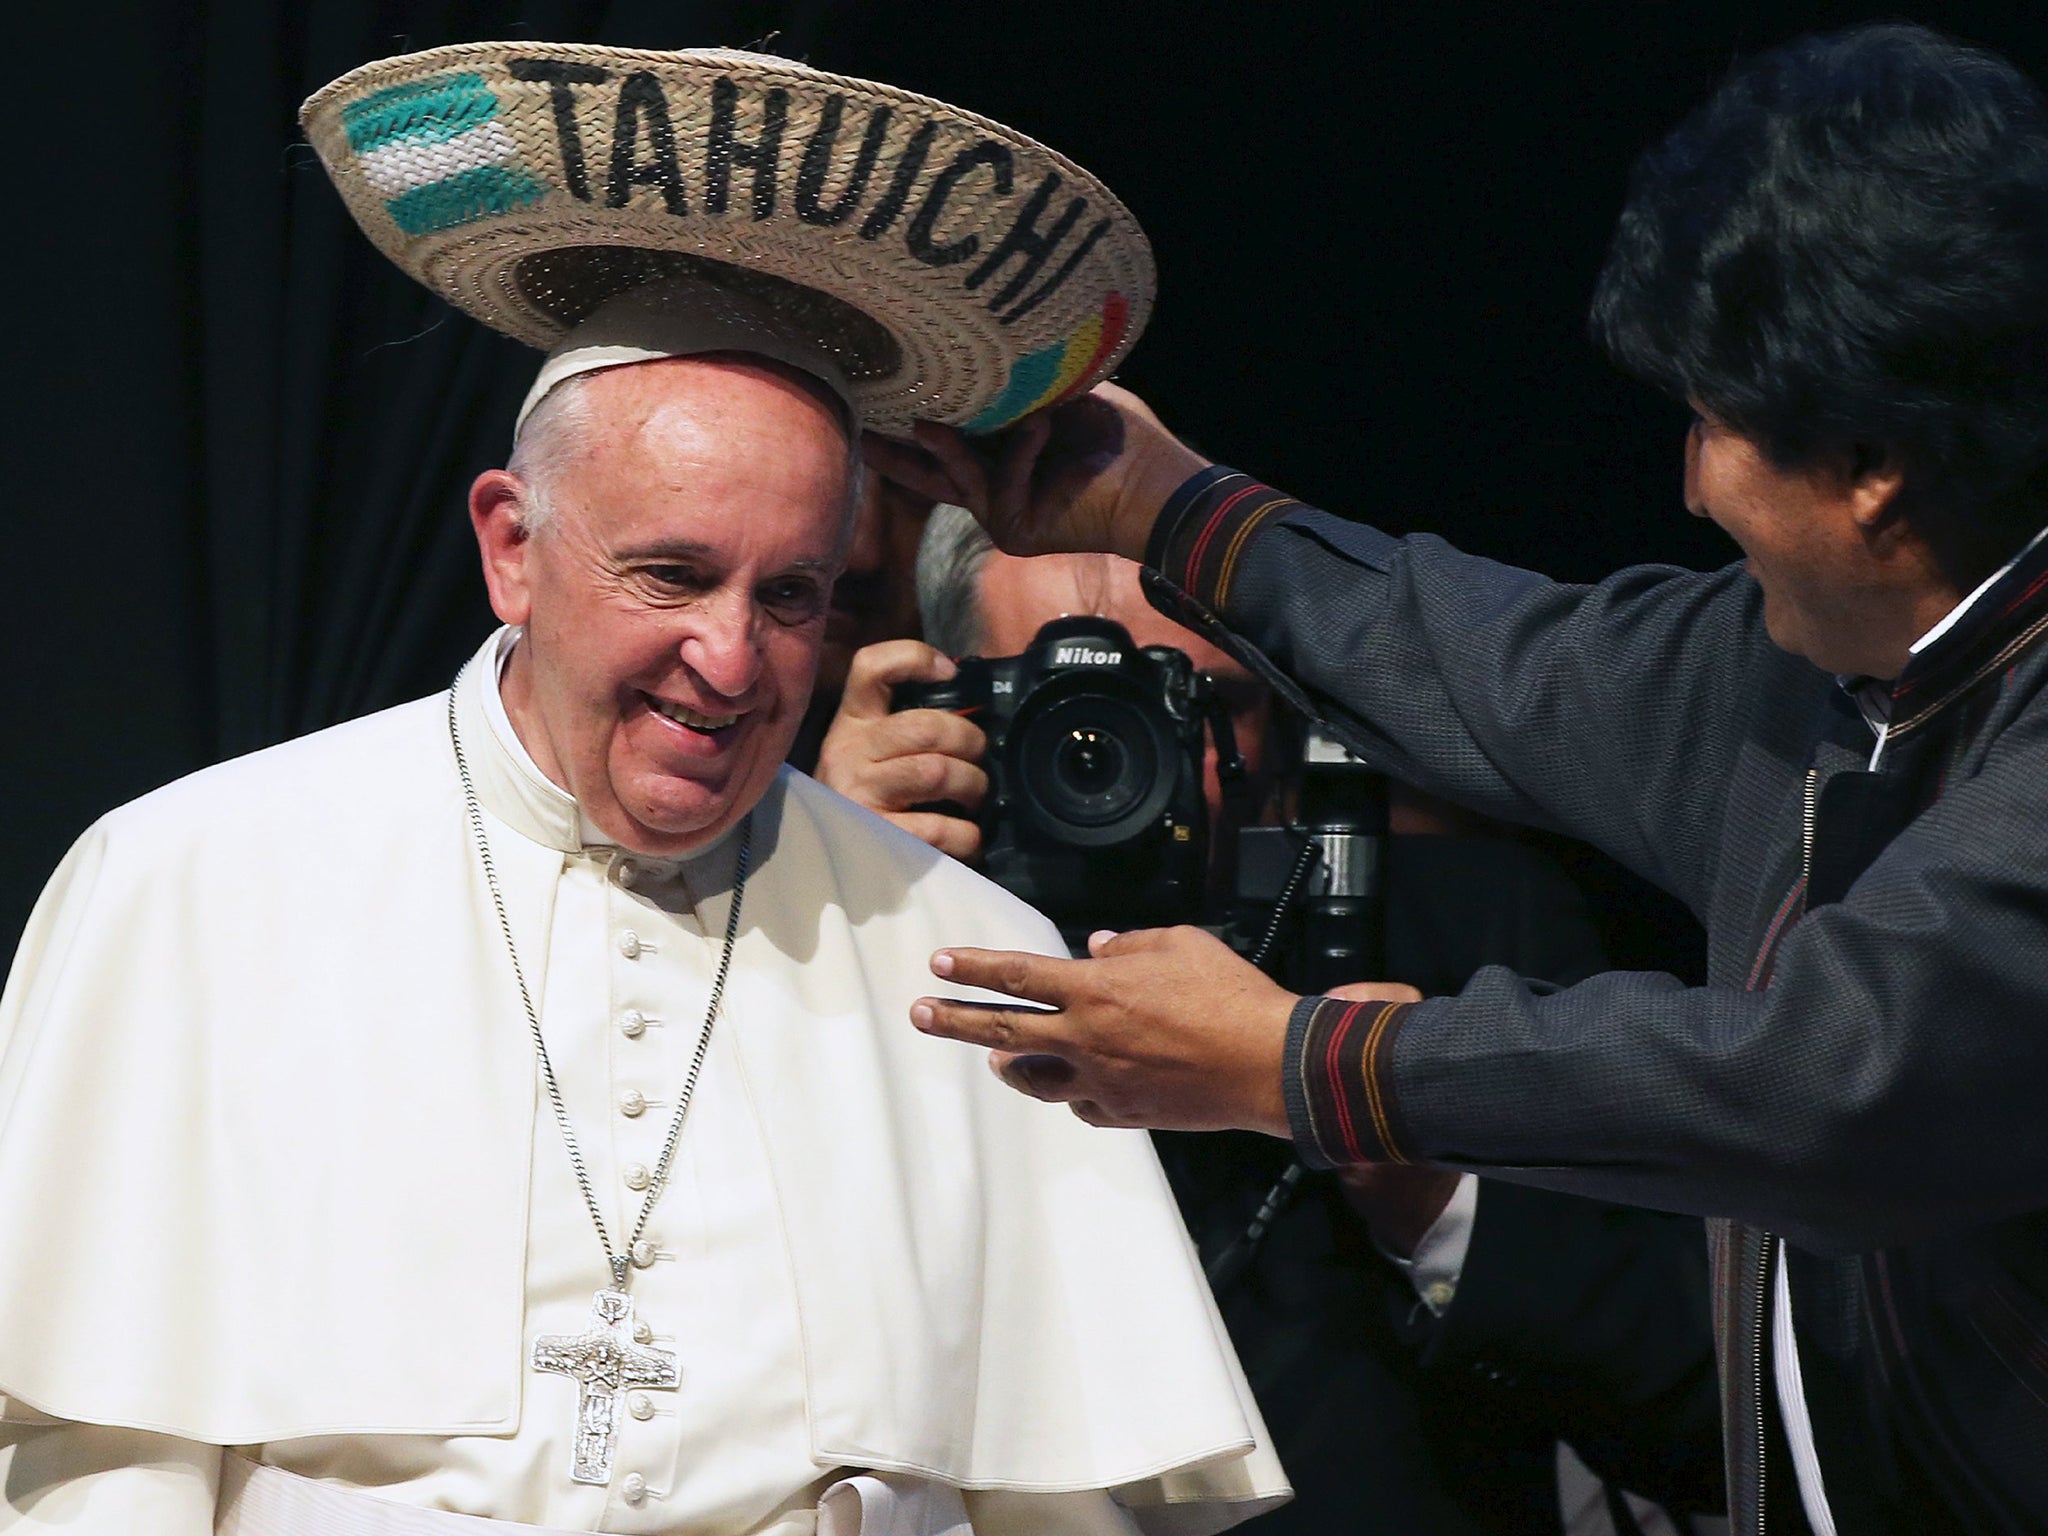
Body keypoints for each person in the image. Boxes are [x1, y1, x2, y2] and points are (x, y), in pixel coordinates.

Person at [0, 43, 1288, 1536]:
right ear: (512, 547)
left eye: (791, 594)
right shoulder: (193, 885)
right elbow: (95, 1472)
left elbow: (1063, 1500)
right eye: (671, 574)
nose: (730, 660)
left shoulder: (972, 955)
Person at [875, 23, 2048, 1535]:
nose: (1689, 482)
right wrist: (1167, 507)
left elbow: (1820, 1080)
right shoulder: (1814, 668)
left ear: (1874, 465)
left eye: (1712, 422)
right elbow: (1503, 662)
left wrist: (1306, 1063)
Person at [815, 505, 1722, 1535]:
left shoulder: (1460, 933)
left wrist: (1427, 1182)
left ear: (1289, 717)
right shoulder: (844, 928)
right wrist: (816, 883)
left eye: (1200, 703)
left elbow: (1710, 1430)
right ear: (948, 706)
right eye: (1061, 706)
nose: (1126, 755)